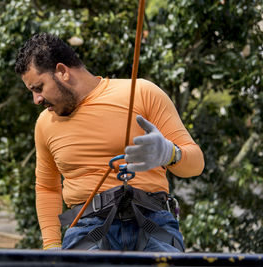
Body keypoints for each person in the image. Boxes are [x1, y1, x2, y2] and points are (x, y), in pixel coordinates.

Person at [14, 33, 204, 251]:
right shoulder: (45, 124)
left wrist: (171, 153)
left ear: (62, 72)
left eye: (38, 88)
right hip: (88, 231)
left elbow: (196, 164)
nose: (36, 99)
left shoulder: (141, 93)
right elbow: (47, 188)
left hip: (153, 223)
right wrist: (51, 246)